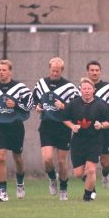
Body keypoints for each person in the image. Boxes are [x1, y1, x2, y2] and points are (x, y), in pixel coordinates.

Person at [32, 57, 80, 201]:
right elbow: (34, 100)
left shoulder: (69, 87)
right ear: (49, 69)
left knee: (61, 161)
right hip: (46, 125)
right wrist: (37, 107)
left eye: (57, 71)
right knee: (47, 159)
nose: (54, 73)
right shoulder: (41, 84)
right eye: (52, 70)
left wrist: (64, 106)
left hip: (63, 127)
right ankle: (53, 178)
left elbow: (76, 106)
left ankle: (64, 188)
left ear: (61, 70)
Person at [0, 60, 33, 202]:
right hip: (0, 126)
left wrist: (16, 104)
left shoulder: (20, 88)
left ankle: (20, 183)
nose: (1, 72)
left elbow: (29, 106)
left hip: (15, 126)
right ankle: (2, 192)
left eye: (4, 70)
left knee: (17, 157)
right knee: (1, 157)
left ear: (10, 71)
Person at [62, 78, 109, 201]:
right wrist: (72, 126)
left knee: (90, 170)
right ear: (80, 90)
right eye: (84, 88)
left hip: (94, 141)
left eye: (89, 89)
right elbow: (65, 118)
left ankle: (87, 196)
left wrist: (101, 125)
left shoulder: (101, 105)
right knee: (78, 174)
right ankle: (92, 187)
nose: (86, 91)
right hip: (78, 141)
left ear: (94, 90)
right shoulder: (73, 104)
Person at [86, 61, 109, 190]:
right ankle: (91, 189)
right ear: (88, 72)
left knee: (104, 162)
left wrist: (106, 110)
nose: (94, 72)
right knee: (89, 162)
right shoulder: (83, 88)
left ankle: (105, 174)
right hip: (87, 129)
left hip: (105, 129)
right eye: (92, 70)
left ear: (100, 71)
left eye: (97, 70)